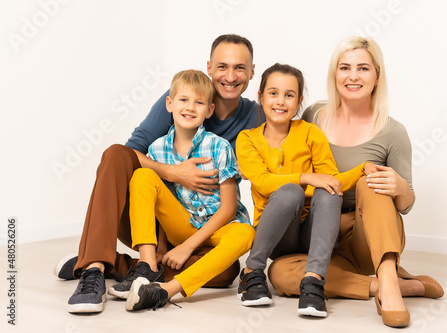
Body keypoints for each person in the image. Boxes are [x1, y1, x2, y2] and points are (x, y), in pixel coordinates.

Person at [63, 34, 264, 314]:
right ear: (209, 67)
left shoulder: (259, 117)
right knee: (117, 155)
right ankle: (95, 267)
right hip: (158, 217)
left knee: (224, 273)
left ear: (252, 71)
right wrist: (174, 173)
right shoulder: (175, 104)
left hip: (211, 225)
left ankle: (124, 267)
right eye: (222, 66)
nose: (230, 76)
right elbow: (129, 155)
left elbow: (272, 167)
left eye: (240, 67)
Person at [267, 37, 444, 328]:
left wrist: (399, 185)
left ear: (377, 76)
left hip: (366, 238)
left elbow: (407, 205)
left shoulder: (393, 131)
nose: (352, 76)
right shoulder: (313, 116)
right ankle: (398, 287)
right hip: (320, 235)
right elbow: (273, 118)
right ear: (334, 74)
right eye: (344, 67)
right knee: (279, 274)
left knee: (369, 179)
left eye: (363, 68)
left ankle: (387, 278)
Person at [106, 69, 254, 311]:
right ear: (170, 103)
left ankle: (165, 291)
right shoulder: (156, 149)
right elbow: (162, 204)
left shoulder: (220, 147)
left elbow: (228, 209)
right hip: (181, 225)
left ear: (209, 111)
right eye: (184, 100)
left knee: (247, 233)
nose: (190, 108)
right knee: (143, 174)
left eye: (199, 103)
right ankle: (147, 267)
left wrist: (187, 248)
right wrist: (162, 249)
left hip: (218, 228)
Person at [235, 63, 376, 318]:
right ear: (261, 97)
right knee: (290, 191)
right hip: (276, 235)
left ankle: (313, 283)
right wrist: (306, 177)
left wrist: (363, 168)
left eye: (289, 95)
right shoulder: (247, 139)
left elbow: (333, 180)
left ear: (299, 101)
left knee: (329, 190)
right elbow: (264, 183)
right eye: (273, 93)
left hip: (312, 234)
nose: (281, 101)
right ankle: (251, 272)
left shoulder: (310, 133)